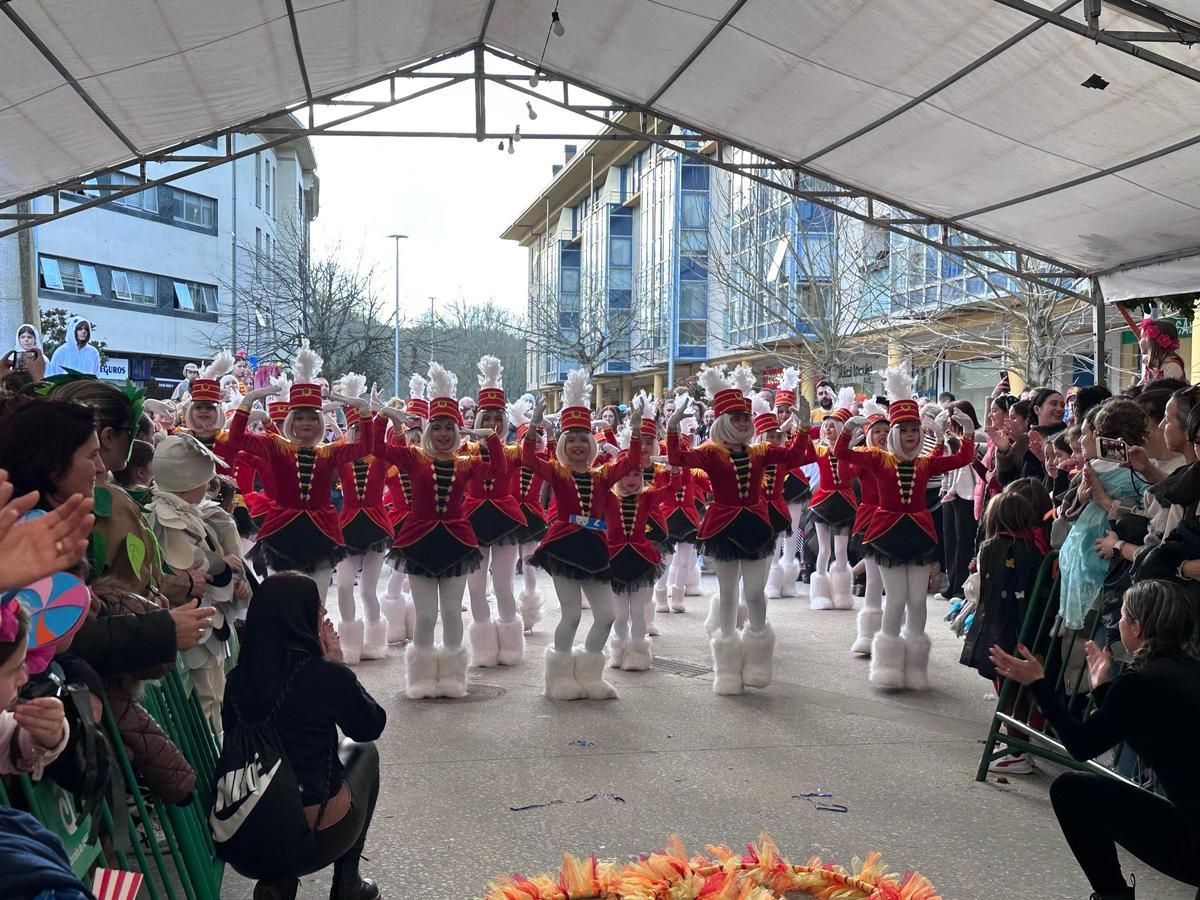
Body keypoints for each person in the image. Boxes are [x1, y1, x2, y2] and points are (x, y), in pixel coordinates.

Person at [990, 580, 1200, 899]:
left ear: (1137, 626)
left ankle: (1112, 895)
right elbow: (1140, 729)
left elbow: (1082, 745)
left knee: (1072, 790)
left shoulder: (1141, 683)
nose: (1117, 622)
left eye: (1123, 615)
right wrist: (1103, 687)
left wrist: (1038, 684)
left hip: (1195, 841)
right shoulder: (1186, 674)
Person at [223, 573, 386, 900]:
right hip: (310, 836)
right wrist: (340, 668)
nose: (324, 620)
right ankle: (348, 883)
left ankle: (280, 885)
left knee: (279, 784)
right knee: (364, 752)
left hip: (239, 834)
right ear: (299, 619)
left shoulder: (238, 678)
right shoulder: (325, 675)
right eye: (319, 613)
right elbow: (370, 725)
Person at [667, 364, 808, 695]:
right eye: (737, 418)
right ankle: (727, 666)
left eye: (746, 418)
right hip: (723, 527)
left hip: (757, 527)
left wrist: (801, 421)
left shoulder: (761, 451)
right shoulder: (711, 453)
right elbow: (678, 457)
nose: (744, 423)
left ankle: (758, 659)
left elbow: (795, 453)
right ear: (723, 422)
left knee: (756, 593)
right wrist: (674, 426)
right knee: (729, 595)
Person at [837, 364, 975, 689]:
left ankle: (915, 667)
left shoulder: (926, 463)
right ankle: (886, 666)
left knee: (917, 601)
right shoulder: (878, 458)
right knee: (895, 599)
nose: (911, 435)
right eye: (905, 430)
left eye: (915, 429)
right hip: (885, 535)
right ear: (896, 432)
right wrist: (849, 429)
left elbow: (962, 459)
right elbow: (842, 453)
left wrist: (966, 432)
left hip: (920, 535)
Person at [374, 363, 500, 699]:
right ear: (430, 429)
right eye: (439, 427)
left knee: (451, 611)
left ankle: (454, 677)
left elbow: (498, 471)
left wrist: (489, 438)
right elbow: (379, 450)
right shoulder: (414, 457)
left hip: (458, 542)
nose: (444, 433)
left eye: (450, 427)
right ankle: (421, 677)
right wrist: (383, 418)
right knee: (427, 615)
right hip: (418, 542)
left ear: (458, 431)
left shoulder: (466, 462)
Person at [523, 371, 644, 700]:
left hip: (595, 548)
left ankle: (590, 675)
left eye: (582, 438)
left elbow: (633, 459)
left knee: (606, 616)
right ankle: (559, 678)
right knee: (572, 615)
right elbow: (527, 459)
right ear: (563, 443)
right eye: (571, 438)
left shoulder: (604, 474)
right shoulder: (557, 472)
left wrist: (634, 427)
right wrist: (535, 425)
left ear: (591, 443)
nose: (577, 444)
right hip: (564, 545)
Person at [230, 342, 371, 598]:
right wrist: (248, 401)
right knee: (281, 599)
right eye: (300, 417)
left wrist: (363, 411)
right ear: (292, 420)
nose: (305, 423)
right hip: (282, 530)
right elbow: (236, 438)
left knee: (316, 602)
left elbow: (366, 446)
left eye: (311, 417)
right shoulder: (276, 445)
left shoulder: (330, 451)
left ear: (319, 421)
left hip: (322, 531)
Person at [462, 357, 527, 668]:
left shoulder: (513, 450)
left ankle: (511, 643)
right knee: (475, 587)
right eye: (486, 415)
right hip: (472, 521)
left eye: (497, 416)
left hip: (505, 522)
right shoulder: (465, 450)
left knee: (503, 584)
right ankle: (484, 646)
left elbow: (509, 463)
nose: (492, 422)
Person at [332, 376, 393, 665]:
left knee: (369, 589)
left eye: (361, 428)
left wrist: (381, 414)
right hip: (346, 526)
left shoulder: (381, 458)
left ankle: (375, 640)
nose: (357, 432)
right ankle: (349, 642)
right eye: (353, 427)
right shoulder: (340, 455)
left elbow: (390, 442)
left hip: (376, 525)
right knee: (344, 585)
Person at [799, 387, 859, 610]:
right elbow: (803, 455)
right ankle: (820, 593)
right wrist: (802, 429)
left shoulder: (849, 453)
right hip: (822, 503)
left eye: (832, 425)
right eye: (826, 425)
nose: (827, 428)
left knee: (841, 550)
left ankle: (842, 593)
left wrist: (848, 451)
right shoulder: (819, 449)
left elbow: (850, 474)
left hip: (844, 503)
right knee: (824, 550)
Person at [839, 400, 889, 654]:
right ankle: (869, 634)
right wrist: (847, 443)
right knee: (873, 578)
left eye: (886, 431)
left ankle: (890, 633)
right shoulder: (864, 457)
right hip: (870, 521)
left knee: (892, 585)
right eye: (877, 431)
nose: (882, 436)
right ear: (869, 435)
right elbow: (845, 475)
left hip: (897, 522)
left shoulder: (899, 457)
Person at [1137, 317, 1187, 385]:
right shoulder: (1154, 366)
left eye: (1142, 337)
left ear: (1152, 341)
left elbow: (1165, 392)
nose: (1139, 341)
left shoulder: (1172, 366)